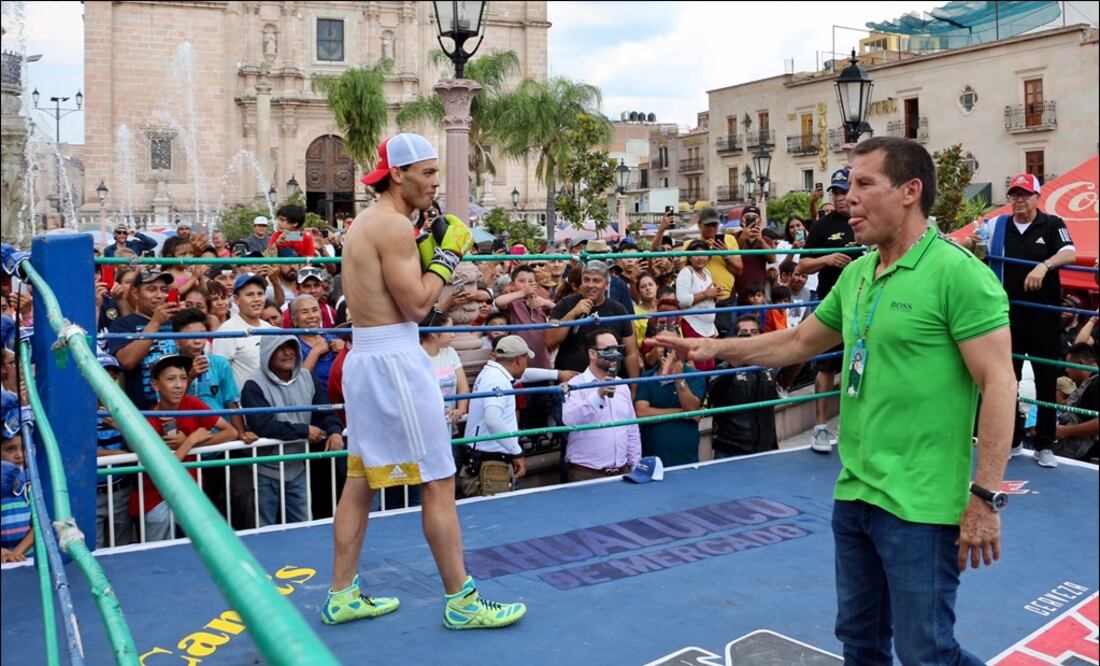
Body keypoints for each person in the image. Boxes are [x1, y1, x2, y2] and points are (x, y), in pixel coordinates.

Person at [657, 136, 1016, 666]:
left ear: (911, 191)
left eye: (866, 184)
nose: (848, 198)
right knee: (860, 644)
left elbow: (1000, 382)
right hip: (855, 495)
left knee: (927, 652)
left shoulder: (959, 275)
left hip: (921, 507)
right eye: (849, 185)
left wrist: (985, 496)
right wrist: (716, 348)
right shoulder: (857, 274)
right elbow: (799, 342)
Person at [324, 133, 525, 628]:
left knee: (359, 478)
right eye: (429, 173)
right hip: (393, 359)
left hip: (368, 356)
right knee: (438, 478)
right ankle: (462, 601)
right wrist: (448, 258)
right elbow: (417, 305)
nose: (437, 183)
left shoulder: (368, 222)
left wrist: (430, 255)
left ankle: (341, 594)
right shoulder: (392, 225)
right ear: (398, 174)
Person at [962, 173, 1077, 468]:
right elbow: (969, 248)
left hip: (1044, 317)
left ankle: (1044, 445)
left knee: (1046, 381)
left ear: (1037, 197)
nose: (1019, 200)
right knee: (1005, 381)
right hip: (1006, 315)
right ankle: (1011, 440)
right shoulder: (997, 225)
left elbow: (1070, 253)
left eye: (1025, 194)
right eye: (1014, 194)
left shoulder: (1052, 223)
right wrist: (971, 241)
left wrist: (1044, 266)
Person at [242, 335, 343, 527]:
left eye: (291, 347)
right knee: (263, 529)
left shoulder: (308, 377)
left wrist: (335, 431)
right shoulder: (253, 385)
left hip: (297, 467)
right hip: (264, 470)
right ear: (267, 353)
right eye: (280, 348)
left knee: (303, 526)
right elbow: (262, 425)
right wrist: (304, 431)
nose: (287, 353)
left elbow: (325, 410)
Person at [171, 308, 257, 529]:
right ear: (177, 340)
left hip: (222, 443)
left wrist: (241, 433)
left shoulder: (219, 363)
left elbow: (231, 401)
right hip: (188, 450)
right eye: (189, 336)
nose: (197, 340)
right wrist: (190, 375)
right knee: (199, 506)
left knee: (242, 492)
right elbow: (170, 404)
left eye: (201, 334)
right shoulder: (169, 367)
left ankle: (246, 540)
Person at [138, 355, 238, 541]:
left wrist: (192, 442)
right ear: (155, 385)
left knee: (202, 545)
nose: (179, 385)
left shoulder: (192, 403)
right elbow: (163, 470)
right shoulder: (147, 419)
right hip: (156, 497)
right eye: (171, 379)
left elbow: (231, 432)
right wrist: (190, 442)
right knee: (157, 550)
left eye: (183, 378)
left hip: (190, 492)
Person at [798, 166, 863, 453]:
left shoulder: (867, 221)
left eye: (843, 191)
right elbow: (801, 265)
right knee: (825, 366)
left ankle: (852, 423)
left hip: (863, 304)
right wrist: (827, 259)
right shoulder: (822, 226)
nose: (839, 197)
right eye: (835, 192)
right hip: (830, 304)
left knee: (858, 363)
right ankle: (820, 426)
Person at [561, 329, 641, 481]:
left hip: (622, 471)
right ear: (592, 354)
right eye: (608, 350)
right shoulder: (576, 385)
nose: (615, 354)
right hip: (586, 473)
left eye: (618, 349)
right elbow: (569, 421)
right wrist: (598, 396)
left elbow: (631, 428)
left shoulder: (622, 385)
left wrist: (635, 465)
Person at [459, 336, 532, 497]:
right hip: (490, 465)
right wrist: (516, 451)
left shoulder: (492, 373)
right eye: (527, 360)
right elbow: (492, 420)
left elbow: (526, 375)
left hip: (485, 459)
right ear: (519, 359)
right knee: (496, 509)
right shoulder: (497, 380)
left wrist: (557, 374)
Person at [654, 207, 743, 337]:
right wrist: (701, 250)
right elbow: (682, 269)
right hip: (699, 304)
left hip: (725, 299)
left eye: (715, 224)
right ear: (699, 224)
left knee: (728, 340)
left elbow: (739, 270)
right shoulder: (690, 244)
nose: (712, 228)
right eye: (708, 225)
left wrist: (725, 254)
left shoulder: (729, 240)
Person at [546, 260, 639, 380]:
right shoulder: (565, 304)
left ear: (606, 285)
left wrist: (633, 386)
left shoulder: (618, 310)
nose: (590, 285)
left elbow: (630, 353)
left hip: (608, 381)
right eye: (586, 280)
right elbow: (549, 340)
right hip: (572, 382)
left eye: (596, 280)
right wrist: (573, 314)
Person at [106, 269, 180, 408]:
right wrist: (155, 323)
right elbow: (126, 361)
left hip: (173, 408)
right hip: (140, 410)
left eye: (164, 290)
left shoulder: (174, 322)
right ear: (135, 293)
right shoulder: (123, 324)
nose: (159, 295)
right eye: (151, 289)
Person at [708, 315, 779, 457]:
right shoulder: (723, 368)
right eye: (744, 332)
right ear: (736, 338)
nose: (749, 336)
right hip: (731, 449)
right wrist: (733, 367)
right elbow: (713, 396)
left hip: (765, 447)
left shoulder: (768, 368)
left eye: (754, 332)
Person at [633, 331, 705, 466]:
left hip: (685, 456)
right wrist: (680, 413)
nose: (666, 348)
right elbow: (642, 413)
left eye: (672, 344)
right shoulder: (647, 377)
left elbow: (691, 408)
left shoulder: (695, 376)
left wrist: (678, 378)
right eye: (661, 344)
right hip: (652, 456)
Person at [95, 353, 133, 547]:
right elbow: (80, 452)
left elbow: (139, 446)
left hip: (121, 491)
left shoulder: (126, 410)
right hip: (92, 494)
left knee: (122, 550)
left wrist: (120, 425)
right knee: (94, 552)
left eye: (114, 377)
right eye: (103, 376)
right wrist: (118, 456)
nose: (109, 382)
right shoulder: (78, 411)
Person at [212, 273, 276, 389]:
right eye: (250, 294)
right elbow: (219, 374)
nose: (256, 299)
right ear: (236, 299)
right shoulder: (227, 331)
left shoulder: (269, 329)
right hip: (243, 399)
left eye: (260, 294)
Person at [676, 239, 720, 372]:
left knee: (709, 366)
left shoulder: (707, 272)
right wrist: (706, 294)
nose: (701, 258)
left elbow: (709, 297)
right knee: (697, 366)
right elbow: (682, 300)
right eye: (696, 254)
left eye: (704, 254)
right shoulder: (686, 272)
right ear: (689, 257)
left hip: (709, 327)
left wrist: (715, 295)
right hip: (692, 324)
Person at [1053, 343, 1098, 461]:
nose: (1066, 370)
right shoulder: (1089, 383)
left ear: (1081, 363)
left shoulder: (1097, 384)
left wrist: (1065, 431)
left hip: (1085, 454)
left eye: (1069, 365)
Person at [732, 205, 776, 303]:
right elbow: (731, 258)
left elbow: (772, 259)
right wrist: (742, 239)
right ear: (742, 220)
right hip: (737, 293)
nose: (751, 220)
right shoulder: (734, 237)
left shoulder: (766, 240)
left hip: (758, 294)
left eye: (754, 217)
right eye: (747, 217)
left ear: (760, 221)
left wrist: (760, 240)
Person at [1, 432, 33, 562]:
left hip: (30, 558)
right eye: (10, 449)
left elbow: (40, 524)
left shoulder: (34, 484)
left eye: (24, 447)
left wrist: (16, 553)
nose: (20, 455)